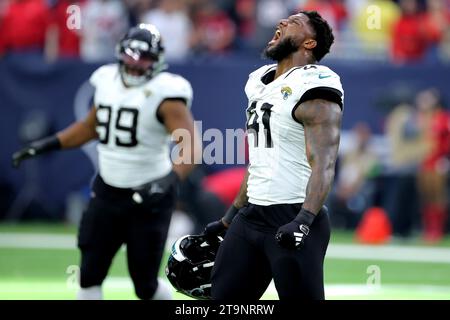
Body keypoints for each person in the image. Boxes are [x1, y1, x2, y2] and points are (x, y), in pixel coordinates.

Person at [12, 24, 201, 300]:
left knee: (145, 284)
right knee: (89, 273)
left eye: (144, 58)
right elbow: (90, 126)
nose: (135, 65)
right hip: (108, 191)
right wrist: (46, 144)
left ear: (157, 60)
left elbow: (191, 146)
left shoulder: (167, 93)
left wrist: (167, 181)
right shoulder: (106, 79)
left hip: (149, 196)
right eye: (131, 57)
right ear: (120, 54)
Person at [204, 10, 344, 300]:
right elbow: (260, 161)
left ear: (309, 43)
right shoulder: (260, 82)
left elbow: (325, 163)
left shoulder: (315, 85)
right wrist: (229, 218)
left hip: (292, 214)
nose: (281, 22)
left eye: (293, 22)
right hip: (252, 215)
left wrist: (304, 220)